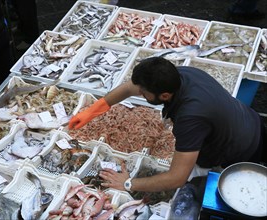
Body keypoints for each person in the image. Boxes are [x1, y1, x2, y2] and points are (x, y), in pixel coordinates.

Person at [69, 57, 265, 192]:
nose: (141, 96)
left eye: (144, 95)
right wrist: (92, 110)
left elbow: (177, 178)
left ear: (164, 96)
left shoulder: (190, 118)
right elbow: (131, 87)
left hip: (245, 149)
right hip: (247, 119)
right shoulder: (179, 75)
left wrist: (128, 184)